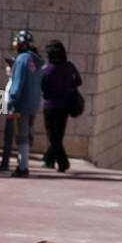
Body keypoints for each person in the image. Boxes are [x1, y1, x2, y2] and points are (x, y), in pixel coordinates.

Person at [5, 30, 44, 177]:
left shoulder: (22, 59)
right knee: (26, 135)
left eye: (15, 41)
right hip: (33, 103)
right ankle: (23, 164)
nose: (13, 43)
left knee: (21, 136)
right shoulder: (35, 59)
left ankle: (23, 167)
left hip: (22, 104)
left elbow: (17, 84)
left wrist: (10, 104)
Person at [41, 40, 81, 173]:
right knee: (58, 135)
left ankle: (62, 162)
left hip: (50, 107)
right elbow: (78, 81)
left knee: (53, 136)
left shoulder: (47, 71)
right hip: (65, 106)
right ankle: (49, 160)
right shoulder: (70, 67)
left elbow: (41, 86)